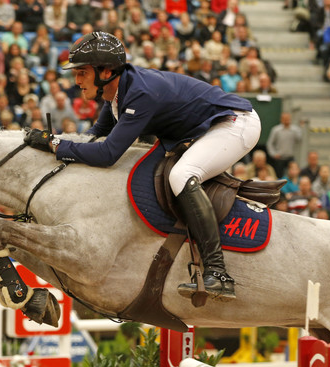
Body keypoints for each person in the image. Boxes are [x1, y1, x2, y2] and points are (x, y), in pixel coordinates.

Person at [24, 32, 261, 302]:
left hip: (234, 123)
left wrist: (55, 144)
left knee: (182, 175)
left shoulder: (139, 94)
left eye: (82, 72)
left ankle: (218, 271)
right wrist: (56, 145)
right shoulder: (116, 93)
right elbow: (95, 136)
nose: (76, 80)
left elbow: (107, 154)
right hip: (207, 126)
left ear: (106, 71)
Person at [266, 112, 303, 178]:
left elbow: (299, 139)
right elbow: (269, 143)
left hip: (290, 157)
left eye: (288, 119)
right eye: (285, 119)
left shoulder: (295, 130)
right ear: (281, 119)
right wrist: (273, 154)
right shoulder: (276, 130)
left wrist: (301, 127)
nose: (287, 120)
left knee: (293, 176)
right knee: (279, 176)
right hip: (280, 158)